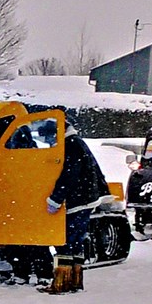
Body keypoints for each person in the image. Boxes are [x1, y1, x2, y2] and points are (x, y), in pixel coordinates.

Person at [42, 122, 111, 293]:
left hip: (77, 202)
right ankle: (75, 280)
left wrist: (55, 199)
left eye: (49, 137)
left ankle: (61, 283)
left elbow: (69, 176)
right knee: (76, 243)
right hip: (85, 201)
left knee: (64, 243)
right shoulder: (77, 143)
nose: (49, 142)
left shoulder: (71, 146)